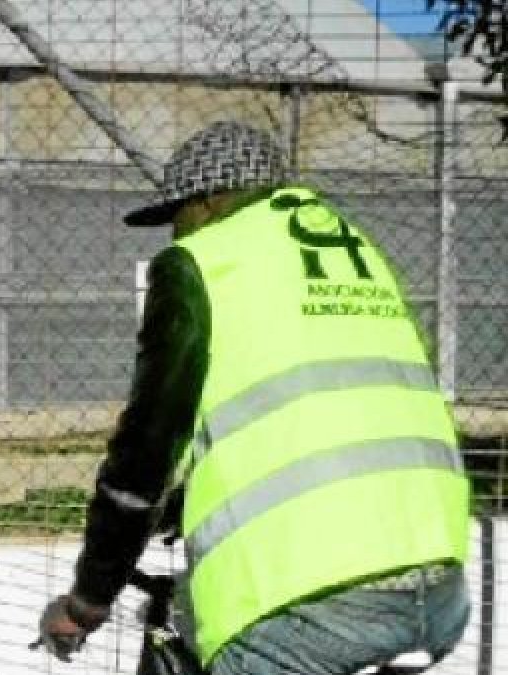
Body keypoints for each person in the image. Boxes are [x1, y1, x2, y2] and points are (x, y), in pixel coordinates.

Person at [36, 121, 471, 675]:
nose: (175, 234)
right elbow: (327, 415)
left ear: (211, 199)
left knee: (188, 641)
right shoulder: (356, 253)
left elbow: (145, 453)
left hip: (314, 608)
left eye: (179, 215)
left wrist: (87, 603)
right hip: (437, 587)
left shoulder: (202, 263)